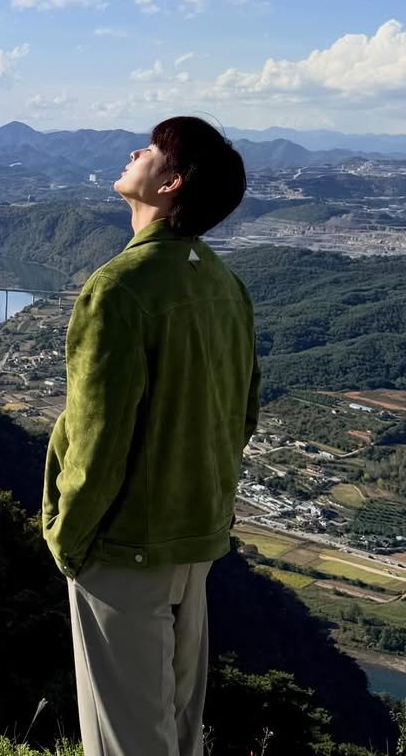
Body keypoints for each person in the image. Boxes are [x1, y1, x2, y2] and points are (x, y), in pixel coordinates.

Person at [42, 115, 260, 756]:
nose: (135, 151)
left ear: (171, 184)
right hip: (194, 538)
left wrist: (68, 536)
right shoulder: (224, 284)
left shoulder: (119, 287)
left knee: (126, 738)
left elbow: (97, 437)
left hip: (125, 543)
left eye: (152, 149)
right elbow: (243, 416)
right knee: (177, 729)